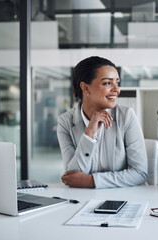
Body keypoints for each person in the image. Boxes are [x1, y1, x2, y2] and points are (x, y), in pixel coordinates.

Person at [57, 56, 147, 188]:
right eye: (107, 83)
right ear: (85, 88)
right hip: (82, 199)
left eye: (117, 82)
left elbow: (140, 173)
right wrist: (89, 133)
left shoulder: (126, 116)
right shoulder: (65, 122)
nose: (117, 90)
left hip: (124, 197)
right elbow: (72, 176)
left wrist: (90, 181)